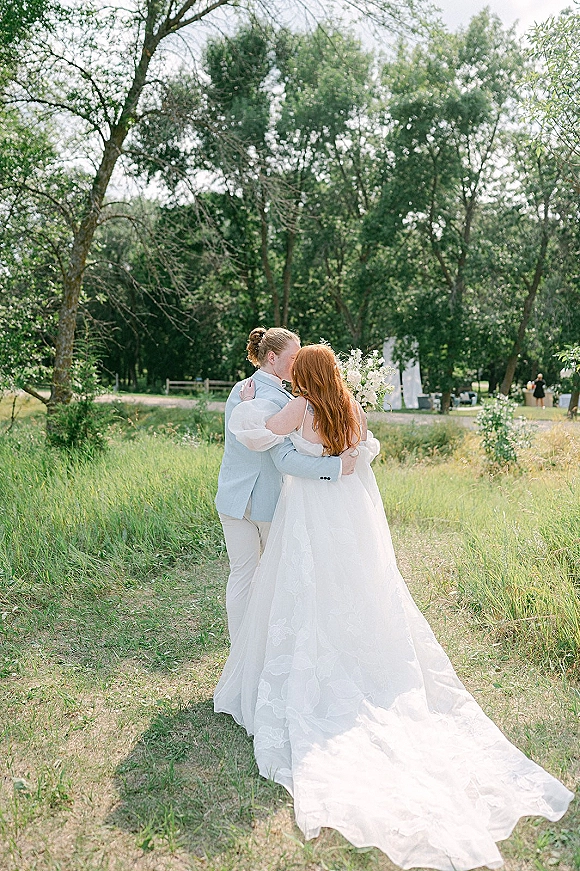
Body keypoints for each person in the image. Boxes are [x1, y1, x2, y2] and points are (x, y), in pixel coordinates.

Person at [214, 343, 573, 871]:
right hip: (348, 512)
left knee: (306, 585)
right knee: (352, 584)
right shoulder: (349, 404)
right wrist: (343, 462)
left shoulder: (301, 407)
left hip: (311, 509)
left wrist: (249, 403)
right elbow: (363, 451)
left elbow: (266, 443)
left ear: (306, 374)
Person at [215, 327, 357, 644]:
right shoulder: (283, 400)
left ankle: (241, 649)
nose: (298, 364)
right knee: (276, 579)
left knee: (241, 574)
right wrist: (335, 465)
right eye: (294, 358)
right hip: (267, 501)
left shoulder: (240, 391)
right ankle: (270, 651)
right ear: (272, 357)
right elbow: (285, 459)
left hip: (233, 497)